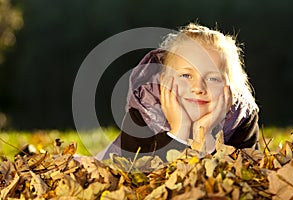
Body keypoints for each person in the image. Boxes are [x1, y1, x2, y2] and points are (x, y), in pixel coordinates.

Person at [96, 23, 259, 161]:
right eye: (186, 75)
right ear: (165, 80)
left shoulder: (240, 119)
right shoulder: (143, 111)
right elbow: (141, 174)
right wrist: (179, 131)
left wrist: (205, 134)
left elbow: (239, 175)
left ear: (229, 86)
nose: (198, 88)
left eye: (212, 79)